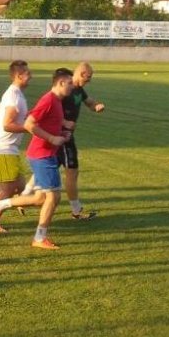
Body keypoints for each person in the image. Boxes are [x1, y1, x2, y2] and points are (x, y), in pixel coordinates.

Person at [0, 68, 75, 250]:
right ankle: (39, 237)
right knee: (53, 196)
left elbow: (46, 124)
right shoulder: (49, 100)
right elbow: (29, 123)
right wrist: (52, 138)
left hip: (46, 154)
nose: (72, 87)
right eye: (70, 83)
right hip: (41, 154)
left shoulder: (57, 102)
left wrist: (61, 133)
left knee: (40, 198)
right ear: (60, 82)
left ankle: (2, 203)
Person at [0, 60, 33, 233]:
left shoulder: (14, 94)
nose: (30, 76)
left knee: (20, 185)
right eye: (27, 73)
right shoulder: (14, 96)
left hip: (9, 148)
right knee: (8, 188)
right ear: (19, 76)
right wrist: (29, 128)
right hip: (3, 148)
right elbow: (7, 124)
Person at [60, 62, 105, 220]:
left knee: (48, 169)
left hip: (66, 136)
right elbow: (51, 111)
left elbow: (89, 101)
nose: (89, 81)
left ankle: (21, 198)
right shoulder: (66, 90)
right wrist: (65, 124)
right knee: (72, 172)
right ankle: (76, 211)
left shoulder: (79, 90)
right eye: (88, 78)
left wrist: (96, 106)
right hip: (62, 137)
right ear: (81, 73)